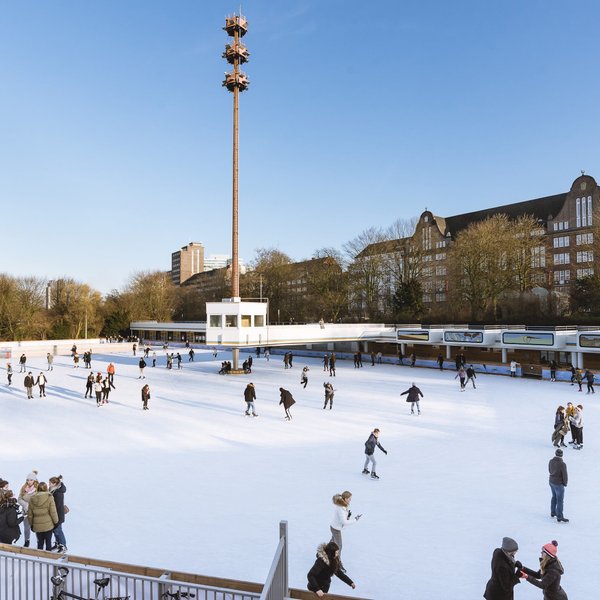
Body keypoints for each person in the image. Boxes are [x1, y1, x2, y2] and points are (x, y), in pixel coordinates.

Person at [27, 481, 58, 550]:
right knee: (48, 542)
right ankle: (48, 558)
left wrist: (31, 524)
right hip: (48, 525)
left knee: (40, 542)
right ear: (46, 488)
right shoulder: (49, 497)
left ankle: (39, 558)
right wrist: (56, 522)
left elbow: (30, 514)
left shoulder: (32, 498)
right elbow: (53, 512)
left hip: (37, 525)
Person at [18, 472, 38, 547]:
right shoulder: (23, 488)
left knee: (36, 527)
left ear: (34, 480)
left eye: (31, 480)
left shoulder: (38, 489)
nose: (29, 482)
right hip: (26, 512)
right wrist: (25, 504)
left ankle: (39, 541)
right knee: (26, 528)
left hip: (34, 512)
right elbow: (19, 499)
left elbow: (39, 500)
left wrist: (31, 505)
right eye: (28, 480)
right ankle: (27, 541)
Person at [548, 449, 568, 522]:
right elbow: (565, 475)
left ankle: (553, 512)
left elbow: (549, 470)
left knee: (554, 497)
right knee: (560, 500)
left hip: (551, 481)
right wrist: (565, 483)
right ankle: (559, 516)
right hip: (558, 484)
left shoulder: (551, 461)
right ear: (562, 455)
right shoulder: (562, 464)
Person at [49, 475, 67, 553]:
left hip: (58, 515)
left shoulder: (58, 493)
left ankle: (63, 546)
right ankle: (58, 544)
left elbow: (57, 506)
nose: (48, 484)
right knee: (55, 530)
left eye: (50, 483)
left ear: (54, 483)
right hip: (54, 514)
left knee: (58, 530)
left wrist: (54, 516)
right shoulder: (52, 490)